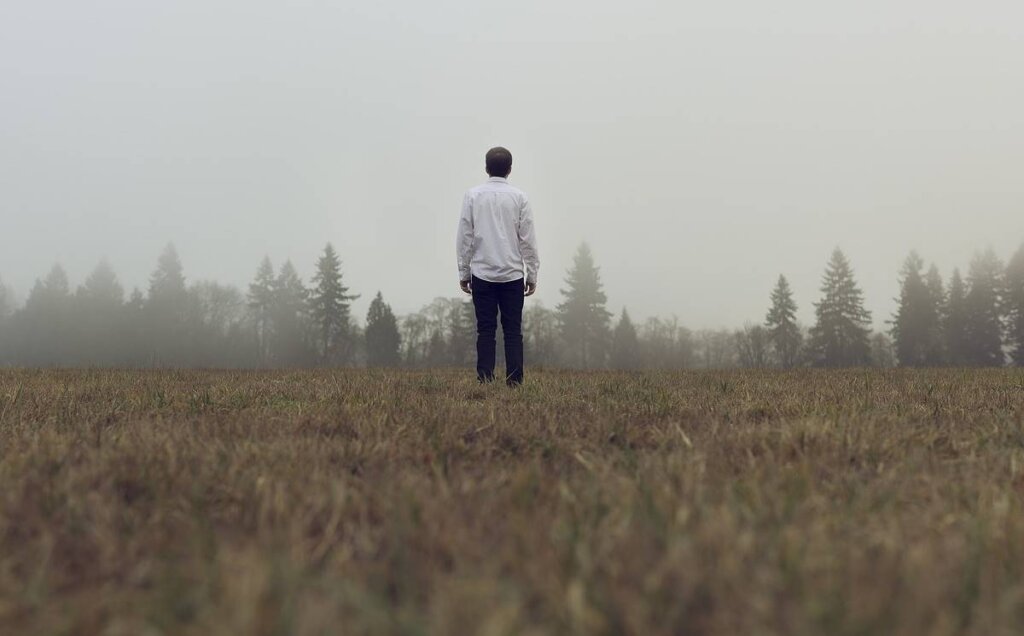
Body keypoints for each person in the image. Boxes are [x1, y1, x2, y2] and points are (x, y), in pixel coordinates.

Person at [456, 147, 540, 385]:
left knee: (485, 330)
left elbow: (465, 237)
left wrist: (464, 272)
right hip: (512, 274)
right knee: (513, 330)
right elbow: (528, 240)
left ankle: (485, 379)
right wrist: (532, 274)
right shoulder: (520, 198)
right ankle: (514, 381)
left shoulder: (472, 196)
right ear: (510, 169)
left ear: (486, 167)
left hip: (482, 273)